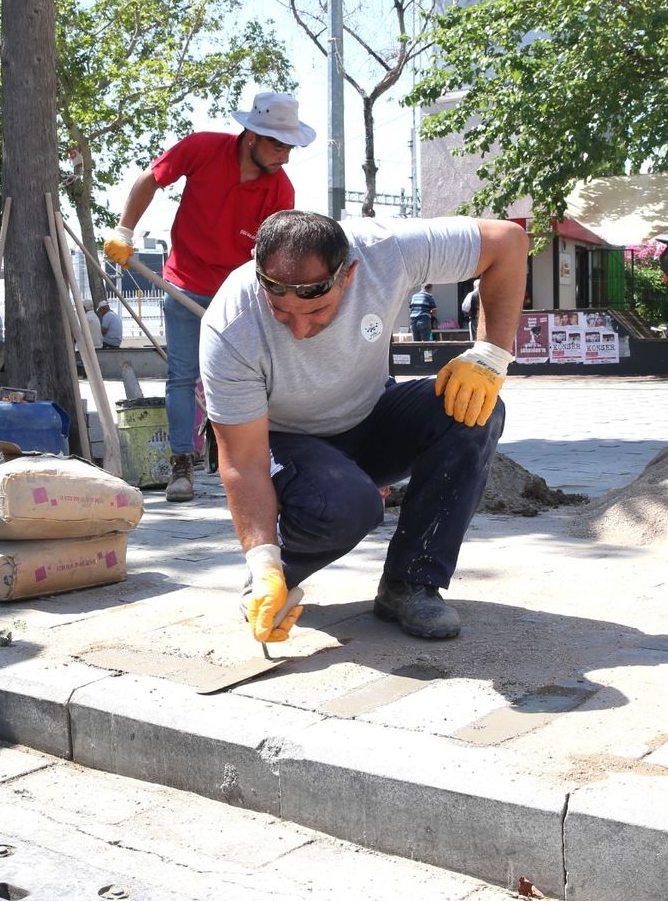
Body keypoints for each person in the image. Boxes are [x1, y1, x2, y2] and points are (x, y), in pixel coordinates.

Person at [199, 210, 527, 643]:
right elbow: (243, 461)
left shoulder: (385, 251)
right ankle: (273, 577)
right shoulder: (231, 325)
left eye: (316, 310)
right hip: (286, 440)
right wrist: (263, 563)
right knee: (347, 505)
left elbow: (508, 241)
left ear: (349, 274)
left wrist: (490, 355)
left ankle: (409, 583)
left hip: (367, 417)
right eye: (281, 310)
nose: (299, 329)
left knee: (474, 409)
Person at [103, 90, 314, 503]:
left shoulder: (280, 192)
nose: (284, 157)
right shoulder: (202, 148)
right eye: (277, 145)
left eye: (289, 147)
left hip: (238, 292)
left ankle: (262, 462)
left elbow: (272, 256)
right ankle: (183, 464)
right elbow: (151, 178)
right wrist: (124, 231)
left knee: (258, 378)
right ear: (251, 135)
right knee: (181, 375)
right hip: (182, 281)